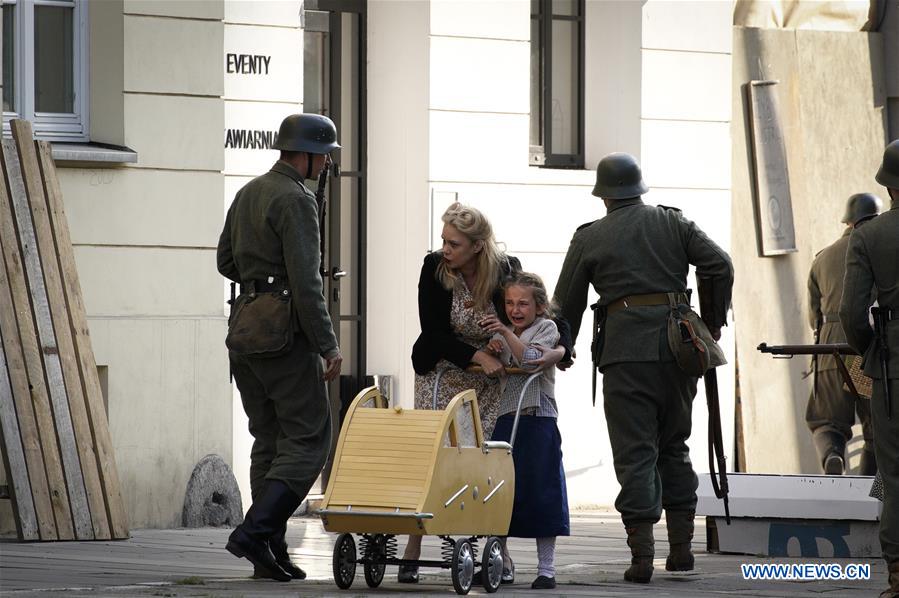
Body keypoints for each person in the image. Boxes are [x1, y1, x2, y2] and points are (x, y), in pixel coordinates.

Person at [552, 152, 733, 584]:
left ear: (604, 197)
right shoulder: (673, 222)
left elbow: (566, 303)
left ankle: (641, 557)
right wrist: (710, 322)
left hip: (624, 354)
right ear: (639, 189)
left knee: (636, 452)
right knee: (675, 444)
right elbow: (719, 264)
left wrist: (565, 347)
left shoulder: (590, 237)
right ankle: (682, 551)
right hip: (680, 348)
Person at [398, 202, 572, 584]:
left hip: (496, 376)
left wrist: (560, 351)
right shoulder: (434, 269)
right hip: (446, 369)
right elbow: (433, 331)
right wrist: (475, 353)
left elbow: (549, 315)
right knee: (438, 456)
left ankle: (499, 555)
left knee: (490, 464)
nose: (446, 249)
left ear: (477, 246)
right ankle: (413, 547)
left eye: (454, 243)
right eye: (444, 240)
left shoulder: (506, 269)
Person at [216, 113, 343, 582]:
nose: (326, 164)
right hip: (285, 334)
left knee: (268, 441)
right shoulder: (296, 200)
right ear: (308, 154)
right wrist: (328, 344)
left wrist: (259, 281)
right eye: (324, 156)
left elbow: (225, 260)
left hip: (245, 329)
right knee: (309, 439)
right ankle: (256, 531)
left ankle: (269, 549)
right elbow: (308, 285)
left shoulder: (249, 191)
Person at [480, 272, 570, 590]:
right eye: (509, 303)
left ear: (539, 306)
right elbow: (500, 363)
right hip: (508, 416)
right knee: (501, 491)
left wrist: (504, 332)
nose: (515, 310)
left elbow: (531, 359)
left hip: (537, 416)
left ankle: (546, 568)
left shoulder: (545, 328)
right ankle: (498, 561)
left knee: (543, 491)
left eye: (522, 303)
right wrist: (493, 348)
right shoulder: (508, 332)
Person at [840, 139, 899, 598]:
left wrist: (872, 351)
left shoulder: (868, 235)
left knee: (895, 474)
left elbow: (851, 313)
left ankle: (898, 576)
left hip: (894, 366)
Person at [806, 193, 880, 475]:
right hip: (864, 344)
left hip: (828, 348)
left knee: (825, 421)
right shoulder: (878, 248)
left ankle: (832, 456)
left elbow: (815, 315)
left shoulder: (822, 258)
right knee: (875, 428)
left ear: (847, 221)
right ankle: (866, 490)